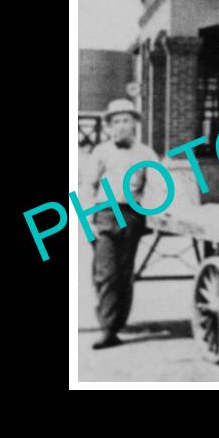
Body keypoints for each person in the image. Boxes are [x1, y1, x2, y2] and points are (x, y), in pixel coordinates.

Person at [82, 98, 161, 349]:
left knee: (125, 274)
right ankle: (107, 329)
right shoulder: (101, 152)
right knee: (105, 273)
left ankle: (117, 324)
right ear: (108, 126)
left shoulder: (145, 153)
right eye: (115, 121)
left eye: (126, 120)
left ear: (135, 124)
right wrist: (87, 222)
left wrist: (159, 210)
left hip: (132, 216)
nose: (120, 126)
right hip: (104, 214)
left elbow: (158, 185)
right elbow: (88, 186)